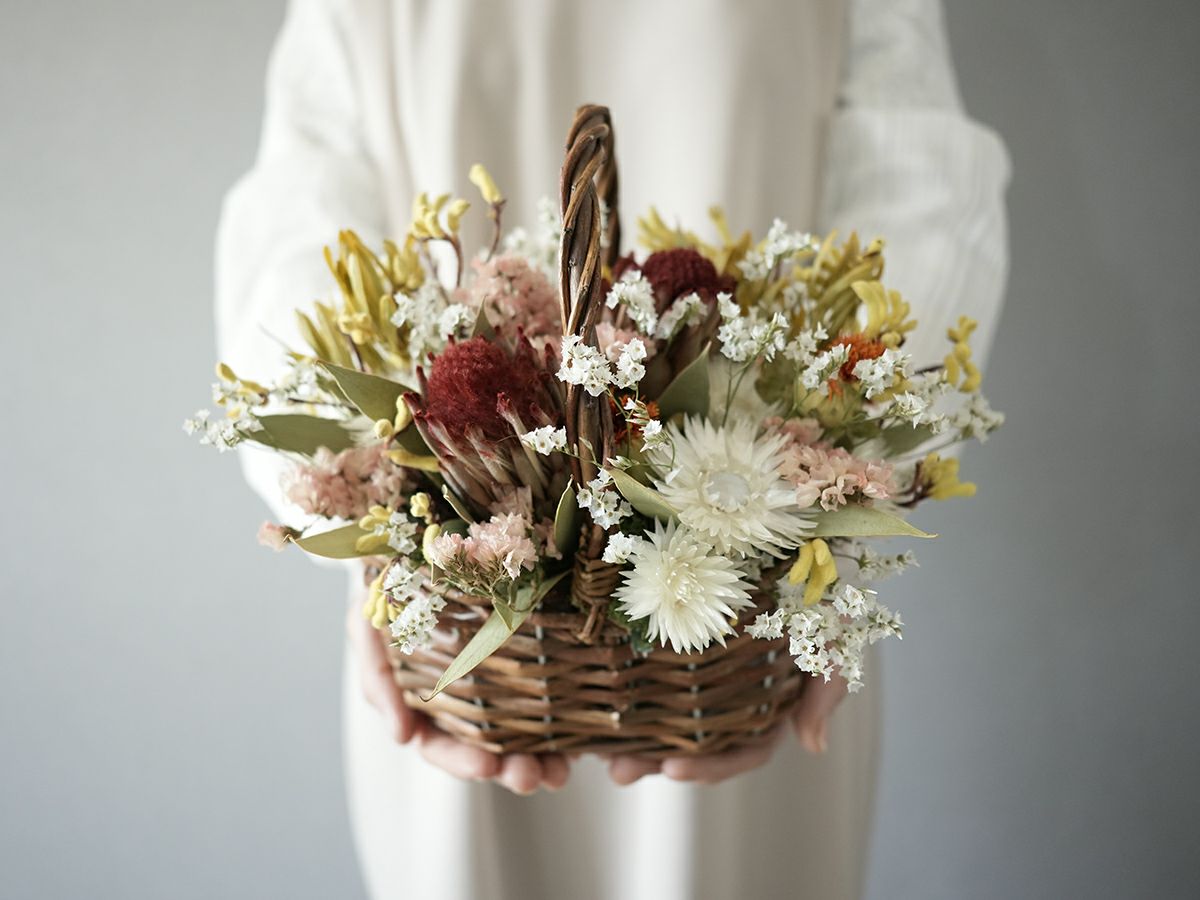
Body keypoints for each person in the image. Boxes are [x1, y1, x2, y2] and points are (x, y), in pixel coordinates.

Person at [216, 1, 1009, 896]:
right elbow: (302, 211)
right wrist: (362, 525)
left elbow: (920, 181)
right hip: (456, 627)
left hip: (761, 613)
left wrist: (839, 503)